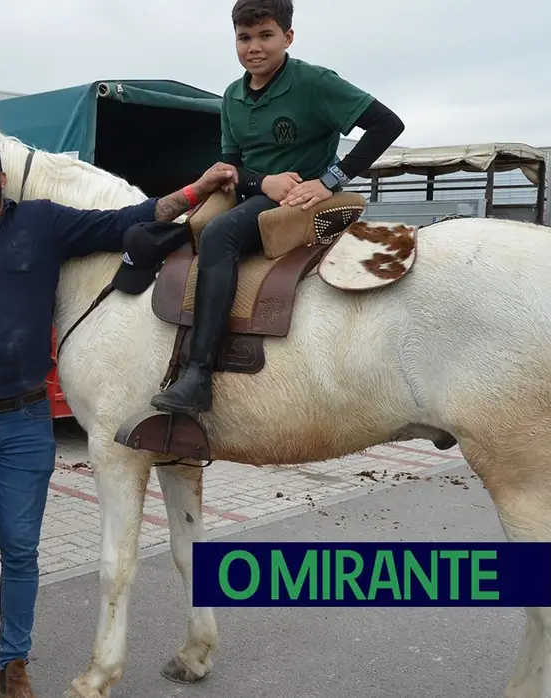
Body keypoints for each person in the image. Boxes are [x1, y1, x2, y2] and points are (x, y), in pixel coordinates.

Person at [0, 130, 237, 698]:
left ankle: (14, 663)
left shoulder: (43, 223)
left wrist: (194, 190)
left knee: (24, 548)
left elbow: (129, 216)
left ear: (1, 177)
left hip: (25, 421)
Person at [149, 0, 405, 416]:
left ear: (287, 37)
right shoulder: (232, 95)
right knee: (173, 231)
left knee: (219, 235)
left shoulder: (315, 82)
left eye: (266, 35)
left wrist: (330, 180)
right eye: (244, 37)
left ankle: (198, 375)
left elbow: (387, 124)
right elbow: (232, 164)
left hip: (298, 198)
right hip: (254, 191)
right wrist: (259, 180)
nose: (254, 47)